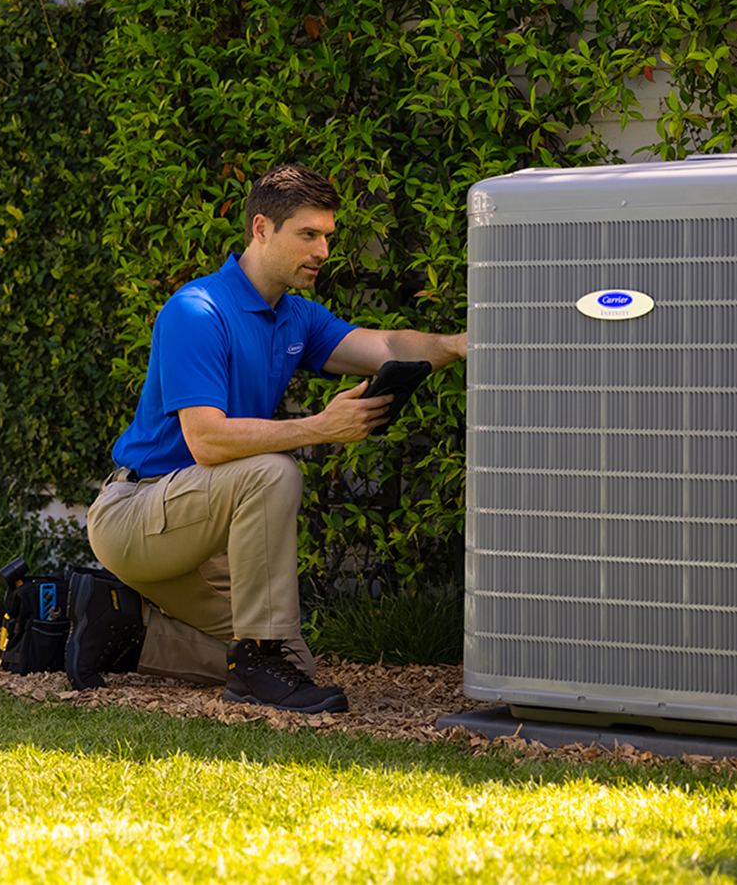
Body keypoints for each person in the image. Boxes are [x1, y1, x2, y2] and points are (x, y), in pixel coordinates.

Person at [66, 164, 467, 713]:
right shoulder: (196, 311)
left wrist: (460, 344)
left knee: (292, 663)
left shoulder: (296, 317)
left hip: (200, 528)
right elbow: (206, 441)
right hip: (137, 514)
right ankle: (254, 659)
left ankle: (119, 627)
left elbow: (388, 344)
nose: (323, 250)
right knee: (274, 472)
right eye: (308, 235)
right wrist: (318, 428)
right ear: (261, 228)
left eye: (327, 236)